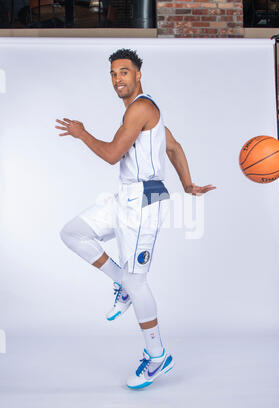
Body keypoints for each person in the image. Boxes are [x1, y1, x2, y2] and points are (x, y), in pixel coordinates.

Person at [55, 48, 216, 389]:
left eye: (124, 72)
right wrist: (187, 184)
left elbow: (113, 154)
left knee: (138, 279)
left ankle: (157, 356)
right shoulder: (142, 113)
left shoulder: (141, 107)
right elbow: (172, 147)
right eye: (113, 74)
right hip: (126, 195)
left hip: (145, 198)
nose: (118, 79)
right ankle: (122, 283)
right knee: (73, 234)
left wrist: (83, 133)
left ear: (138, 74)